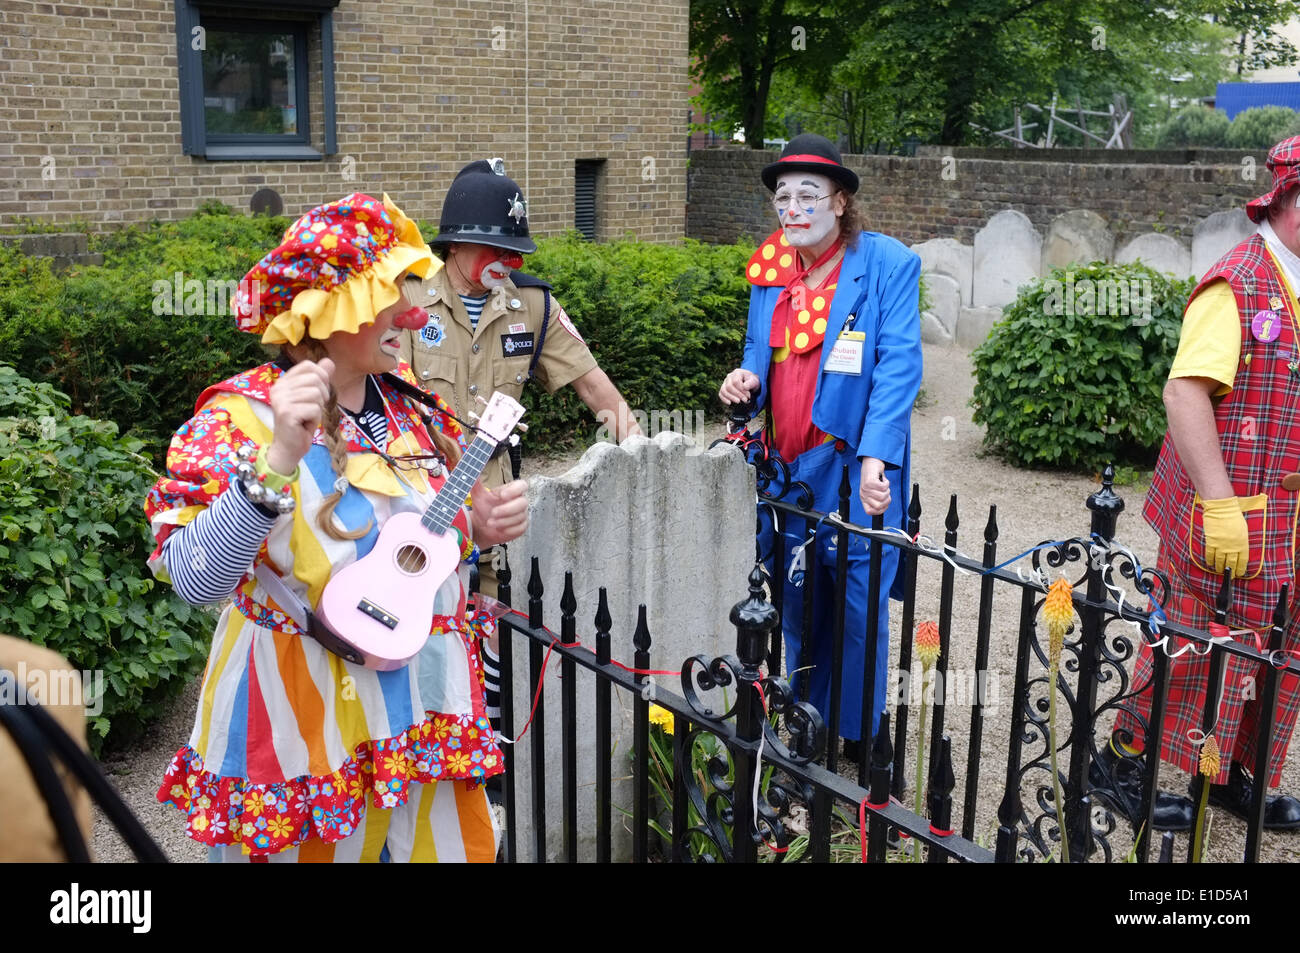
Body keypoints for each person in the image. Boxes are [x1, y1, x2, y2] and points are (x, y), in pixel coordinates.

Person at [146, 193, 530, 861]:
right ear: (333, 307)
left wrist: (475, 525)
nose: (413, 312)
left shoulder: (409, 407)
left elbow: (403, 543)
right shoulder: (239, 419)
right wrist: (277, 463)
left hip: (422, 708)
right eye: (391, 292)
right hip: (305, 721)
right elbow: (194, 580)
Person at [398, 159, 640, 734]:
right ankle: (424, 744)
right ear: (455, 242)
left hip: (497, 509)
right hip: (420, 505)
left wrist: (641, 459)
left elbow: (593, 386)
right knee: (419, 633)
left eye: (515, 252)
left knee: (497, 637)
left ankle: (494, 750)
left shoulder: (533, 305)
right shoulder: (406, 297)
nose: (508, 263)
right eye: (495, 250)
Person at [1109, 137, 1300, 832]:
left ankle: (1230, 775)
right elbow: (1185, 393)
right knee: (1190, 640)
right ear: (1285, 200)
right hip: (1229, 508)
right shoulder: (1237, 282)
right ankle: (1119, 764)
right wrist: (1219, 504)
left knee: (1276, 646)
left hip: (1287, 516)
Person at [717, 134, 922, 753]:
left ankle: (862, 729)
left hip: (853, 460)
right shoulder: (771, 271)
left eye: (809, 195)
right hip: (790, 466)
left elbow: (898, 366)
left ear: (840, 201)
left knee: (859, 599)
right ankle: (808, 716)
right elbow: (758, 353)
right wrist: (743, 380)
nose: (793, 208)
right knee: (799, 593)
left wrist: (876, 455)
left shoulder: (887, 264)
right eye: (783, 197)